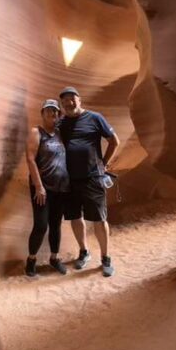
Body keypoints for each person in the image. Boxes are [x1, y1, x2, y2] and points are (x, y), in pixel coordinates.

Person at [58, 86, 120, 277]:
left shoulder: (95, 118)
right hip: (69, 179)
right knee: (75, 217)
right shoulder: (62, 124)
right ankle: (84, 252)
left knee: (100, 219)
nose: (69, 103)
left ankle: (106, 258)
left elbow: (114, 141)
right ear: (62, 104)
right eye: (65, 100)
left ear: (79, 100)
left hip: (92, 177)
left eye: (72, 99)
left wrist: (104, 164)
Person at [25, 98, 70, 279]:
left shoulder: (60, 133)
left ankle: (54, 258)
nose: (52, 113)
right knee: (41, 225)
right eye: (48, 110)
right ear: (42, 113)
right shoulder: (37, 132)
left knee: (56, 225)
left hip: (61, 188)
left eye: (55, 111)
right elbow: (30, 158)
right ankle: (31, 260)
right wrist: (38, 186)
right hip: (42, 188)